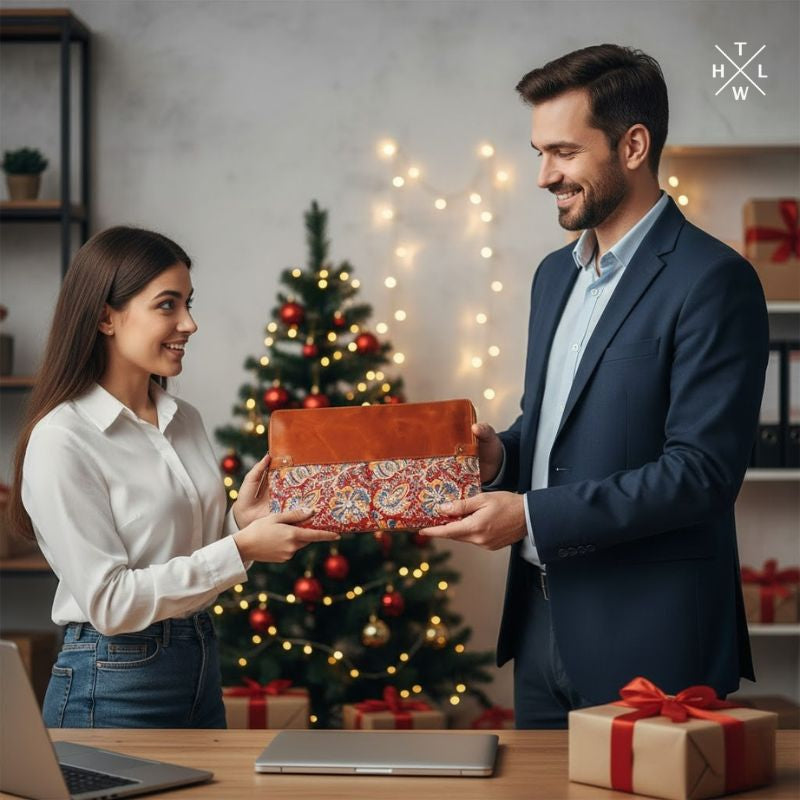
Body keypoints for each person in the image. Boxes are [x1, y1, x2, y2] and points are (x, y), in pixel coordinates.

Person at [420, 44, 768, 728]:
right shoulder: (554, 276)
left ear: (633, 145)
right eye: (538, 153)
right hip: (540, 631)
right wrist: (502, 458)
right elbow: (555, 432)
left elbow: (701, 474)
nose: (544, 175)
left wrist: (531, 517)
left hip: (654, 642)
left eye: (563, 152)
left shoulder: (713, 280)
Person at [7, 226, 339, 728]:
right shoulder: (63, 439)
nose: (190, 323)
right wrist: (243, 549)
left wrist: (238, 526)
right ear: (105, 317)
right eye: (168, 305)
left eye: (188, 303)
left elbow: (181, 561)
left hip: (199, 663)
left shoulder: (183, 419)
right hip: (113, 680)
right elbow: (112, 603)